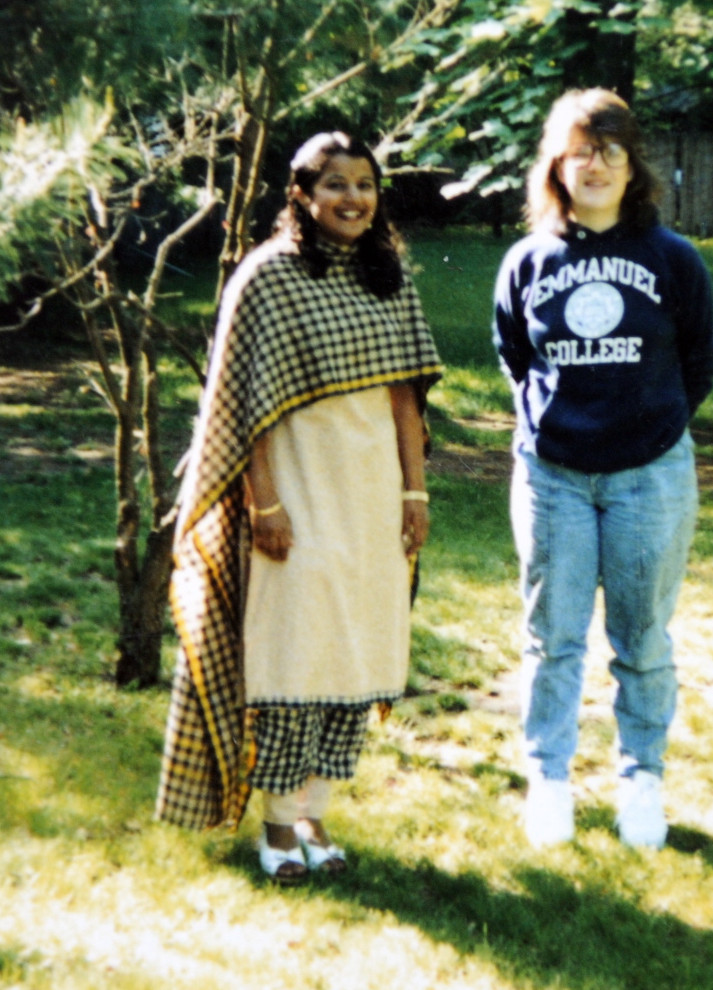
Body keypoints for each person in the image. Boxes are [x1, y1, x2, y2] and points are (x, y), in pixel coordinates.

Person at [156, 132, 442, 883]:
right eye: (335, 185)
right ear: (302, 196)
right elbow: (243, 409)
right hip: (295, 492)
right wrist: (264, 505)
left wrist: (414, 493)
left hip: (374, 493)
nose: (352, 199)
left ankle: (315, 809)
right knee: (293, 652)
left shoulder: (389, 276)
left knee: (358, 652)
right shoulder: (267, 277)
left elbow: (405, 400)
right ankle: (277, 828)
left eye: (365, 185)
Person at [493, 89, 713, 849]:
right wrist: (557, 427)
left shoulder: (672, 259)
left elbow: (698, 360)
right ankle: (548, 780)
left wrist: (649, 428)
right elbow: (514, 357)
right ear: (556, 165)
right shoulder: (526, 261)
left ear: (632, 166)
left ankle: (640, 782)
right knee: (552, 638)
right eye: (579, 150)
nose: (594, 164)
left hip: (647, 477)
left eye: (610, 150)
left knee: (642, 639)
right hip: (552, 476)